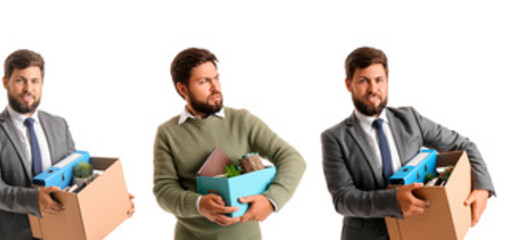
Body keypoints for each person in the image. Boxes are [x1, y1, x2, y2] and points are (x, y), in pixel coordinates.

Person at [319, 46, 494, 239]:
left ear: (387, 81)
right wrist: (393, 201)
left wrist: (482, 188)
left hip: (419, 230)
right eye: (363, 81)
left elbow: (463, 145)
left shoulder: (410, 119)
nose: (373, 89)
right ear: (348, 84)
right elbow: (343, 199)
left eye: (379, 80)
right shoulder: (334, 138)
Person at [0, 49, 133, 239]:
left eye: (35, 81)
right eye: (20, 80)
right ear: (6, 82)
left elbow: (74, 176)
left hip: (58, 230)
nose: (28, 89)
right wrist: (34, 199)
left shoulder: (59, 125)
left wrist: (111, 199)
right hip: (10, 234)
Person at [152, 47, 305, 240]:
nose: (215, 88)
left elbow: (292, 158)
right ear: (183, 89)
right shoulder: (168, 133)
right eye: (204, 81)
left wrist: (271, 199)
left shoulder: (242, 120)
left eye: (216, 78)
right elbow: (164, 190)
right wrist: (199, 204)